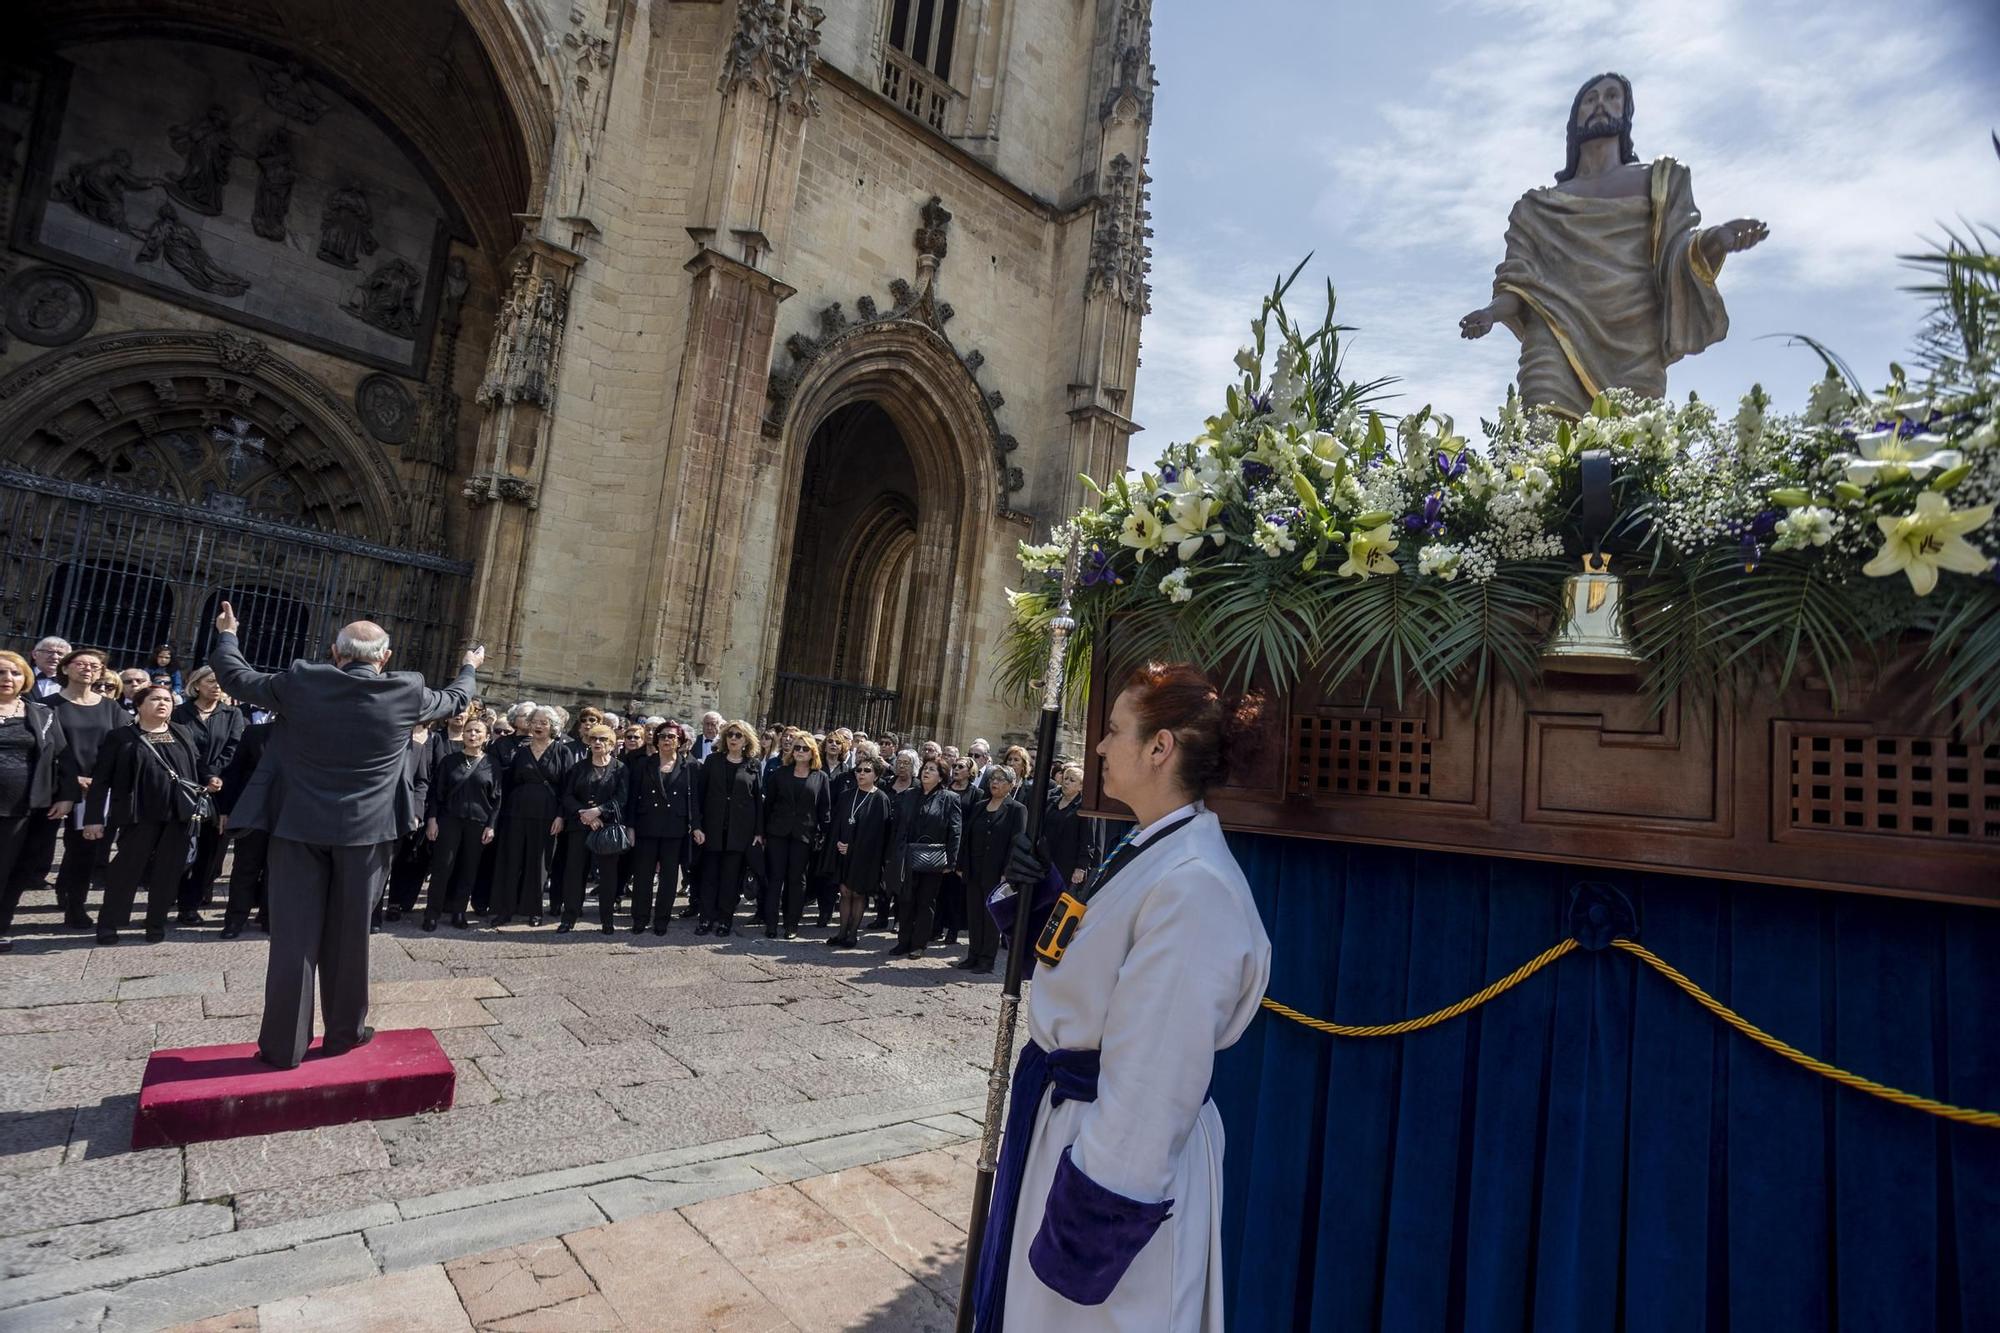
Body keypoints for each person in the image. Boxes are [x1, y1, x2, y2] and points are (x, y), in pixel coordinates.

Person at [973, 662, 1272, 1332]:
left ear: (1160, 747)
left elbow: (1152, 1082)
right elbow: (1095, 960)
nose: (1100, 747)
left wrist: (1080, 1240)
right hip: (1069, 1129)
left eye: (1114, 731)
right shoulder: (1146, 845)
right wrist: (1040, 898)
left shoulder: (1195, 886)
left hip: (1106, 1170)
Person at [209, 604, 480, 1068]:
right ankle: (344, 1033)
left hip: (297, 826)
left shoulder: (302, 680)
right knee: (351, 935)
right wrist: (470, 667)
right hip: (367, 833)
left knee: (293, 938)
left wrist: (229, 634)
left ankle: (282, 1046)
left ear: (335, 652)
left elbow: (235, 678)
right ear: (386, 656)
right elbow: (456, 699)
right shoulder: (407, 690)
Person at [82, 683, 204, 945]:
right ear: (139, 705)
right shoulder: (120, 737)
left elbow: (197, 768)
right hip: (138, 815)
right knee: (125, 870)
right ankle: (109, 924)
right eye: (155, 699)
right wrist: (93, 818)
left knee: (168, 872)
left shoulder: (181, 732)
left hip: (178, 816)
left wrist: (212, 780)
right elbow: (101, 780)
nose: (163, 704)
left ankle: (155, 923)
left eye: (168, 700)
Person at [46, 648, 129, 929]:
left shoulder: (110, 707)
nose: (88, 669)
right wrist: (72, 779)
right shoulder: (48, 705)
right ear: (66, 668)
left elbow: (122, 745)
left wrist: (100, 780)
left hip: (97, 789)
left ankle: (75, 904)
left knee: (85, 850)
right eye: (80, 664)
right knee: (40, 849)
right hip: (56, 786)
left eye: (95, 666)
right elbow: (47, 748)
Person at [0, 651, 73, 951]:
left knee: (12, 867)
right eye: (1, 673)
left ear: (25, 679)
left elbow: (62, 758)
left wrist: (67, 796)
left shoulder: (41, 713)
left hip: (22, 806)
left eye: (15, 674)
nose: (7, 679)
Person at [172, 666, 245, 925]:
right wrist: (206, 776)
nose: (217, 687)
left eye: (221, 683)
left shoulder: (233, 714)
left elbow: (234, 749)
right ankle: (171, 894)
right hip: (185, 786)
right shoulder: (179, 713)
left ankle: (190, 904)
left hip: (219, 791)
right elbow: (181, 748)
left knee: (209, 852)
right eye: (211, 681)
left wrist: (216, 777)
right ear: (196, 684)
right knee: (178, 848)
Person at [489, 705, 572, 927]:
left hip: (547, 815)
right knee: (511, 860)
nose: (538, 726)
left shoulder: (563, 751)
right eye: (535, 721)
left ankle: (534, 911)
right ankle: (505, 909)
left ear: (552, 727)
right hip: (516, 813)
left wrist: (561, 816)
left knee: (539, 864)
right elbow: (507, 782)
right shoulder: (521, 750)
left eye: (544, 723)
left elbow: (568, 788)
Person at [423, 716, 499, 931]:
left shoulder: (492, 764)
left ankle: (458, 912)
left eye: (477, 732)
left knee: (468, 869)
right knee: (442, 868)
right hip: (449, 821)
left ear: (485, 737)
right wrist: (432, 820)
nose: (472, 735)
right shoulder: (449, 761)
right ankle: (432, 913)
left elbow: (497, 799)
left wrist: (491, 825)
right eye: (469, 731)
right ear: (463, 734)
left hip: (478, 823)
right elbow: (437, 793)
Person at [627, 721, 702, 935]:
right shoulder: (644, 764)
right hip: (646, 826)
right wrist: (630, 826)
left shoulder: (690, 766)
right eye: (663, 736)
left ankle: (661, 920)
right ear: (656, 740)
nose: (667, 740)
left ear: (679, 742)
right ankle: (640, 918)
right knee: (643, 875)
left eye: (671, 737)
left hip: (674, 828)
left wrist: (696, 826)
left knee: (669, 878)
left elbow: (694, 800)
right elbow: (632, 797)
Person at [758, 733, 830, 939]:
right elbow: (768, 804)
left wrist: (824, 836)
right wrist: (761, 832)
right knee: (775, 878)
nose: (799, 752)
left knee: (797, 880)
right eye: (797, 748)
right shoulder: (780, 773)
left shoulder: (820, 777)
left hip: (803, 835)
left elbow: (824, 810)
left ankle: (791, 924)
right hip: (777, 833)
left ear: (812, 753)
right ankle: (771, 923)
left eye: (804, 749)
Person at [557, 723, 628, 933]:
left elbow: (622, 798)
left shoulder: (620, 768)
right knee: (575, 873)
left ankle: (607, 920)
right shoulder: (578, 768)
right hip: (580, 826)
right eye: (594, 739)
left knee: (607, 875)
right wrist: (584, 813)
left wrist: (599, 811)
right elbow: (567, 796)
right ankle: (569, 917)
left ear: (612, 744)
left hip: (607, 828)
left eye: (602, 739)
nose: (597, 743)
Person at [696, 719, 761, 936]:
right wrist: (697, 825)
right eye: (730, 734)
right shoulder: (713, 761)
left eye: (738, 735)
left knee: (730, 879)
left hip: (739, 832)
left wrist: (758, 832)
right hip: (712, 829)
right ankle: (705, 918)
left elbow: (757, 801)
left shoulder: (753, 765)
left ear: (746, 740)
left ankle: (725, 919)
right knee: (709, 877)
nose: (733, 738)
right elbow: (699, 795)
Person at [890, 758, 960, 959]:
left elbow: (955, 831)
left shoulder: (949, 798)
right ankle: (903, 941)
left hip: (933, 859)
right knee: (905, 900)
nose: (926, 772)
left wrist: (951, 861)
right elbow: (899, 826)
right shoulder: (910, 795)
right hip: (908, 856)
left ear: (941, 776)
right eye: (925, 768)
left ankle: (919, 944)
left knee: (925, 901)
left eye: (932, 769)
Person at [957, 764, 1025, 973]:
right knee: (974, 914)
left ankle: (987, 959)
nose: (995, 783)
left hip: (997, 872)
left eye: (1001, 780)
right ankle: (973, 955)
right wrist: (961, 864)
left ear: (1011, 785)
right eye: (993, 779)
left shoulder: (1016, 810)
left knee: (990, 917)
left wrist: (1008, 872)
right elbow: (966, 836)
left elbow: (1017, 843)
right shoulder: (980, 805)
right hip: (974, 868)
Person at [217, 711, 274, 939]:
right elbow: (235, 772)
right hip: (254, 813)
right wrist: (227, 809)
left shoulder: (308, 734)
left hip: (290, 815)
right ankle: (235, 920)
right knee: (245, 868)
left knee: (278, 870)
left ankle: (270, 917)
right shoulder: (255, 733)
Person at [827, 753, 892, 949]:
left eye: (866, 771)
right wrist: (839, 843)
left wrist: (853, 848)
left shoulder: (880, 799)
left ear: (876, 775)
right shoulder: (847, 795)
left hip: (865, 857)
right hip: (843, 853)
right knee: (845, 892)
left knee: (858, 893)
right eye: (858, 770)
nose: (861, 774)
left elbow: (878, 834)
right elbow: (838, 823)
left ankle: (852, 934)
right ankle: (841, 931)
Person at [878, 748, 918, 931]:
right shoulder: (886, 784)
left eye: (906, 763)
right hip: (885, 836)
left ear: (914, 766)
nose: (902, 766)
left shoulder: (917, 788)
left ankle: (898, 919)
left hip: (905, 838)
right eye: (899, 762)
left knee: (901, 880)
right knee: (883, 877)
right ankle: (881, 917)